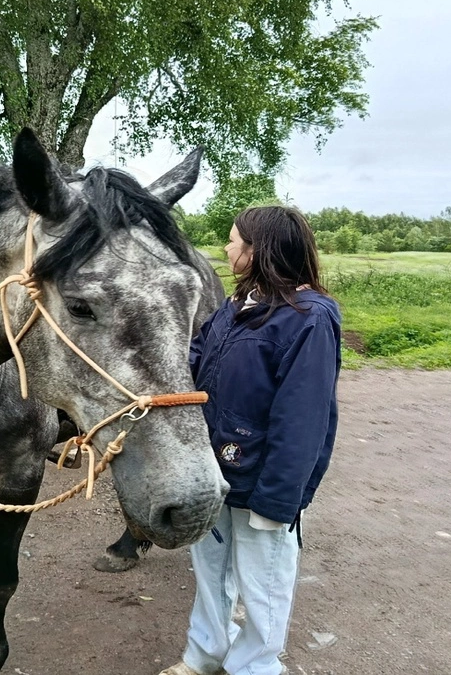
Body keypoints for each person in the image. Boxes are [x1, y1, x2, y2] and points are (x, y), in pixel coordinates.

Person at [160, 206, 342, 675]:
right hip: (215, 471)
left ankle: (255, 668)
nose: (226, 248)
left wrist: (279, 500)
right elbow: (193, 361)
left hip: (262, 479)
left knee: (262, 585)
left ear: (258, 250)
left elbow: (303, 418)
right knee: (210, 573)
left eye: (233, 240)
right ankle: (203, 657)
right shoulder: (236, 306)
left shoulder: (309, 319)